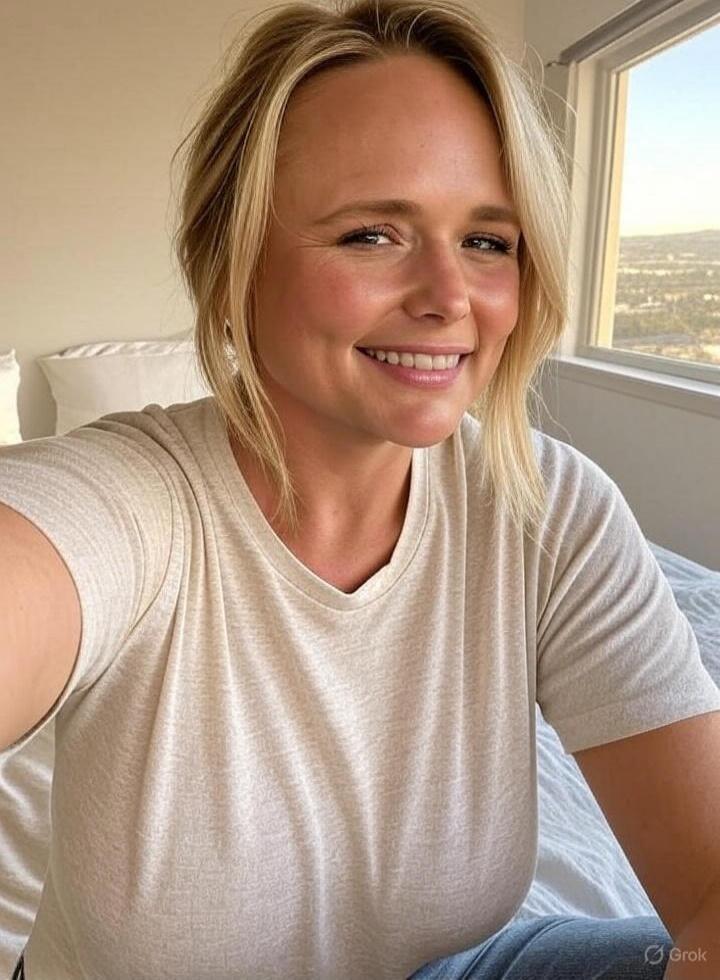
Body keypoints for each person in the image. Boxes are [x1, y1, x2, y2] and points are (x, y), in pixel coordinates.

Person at [1, 0, 719, 977]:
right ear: (236, 258)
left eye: (488, 239)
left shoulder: (549, 506)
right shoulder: (131, 502)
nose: (448, 296)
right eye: (374, 233)